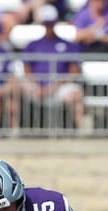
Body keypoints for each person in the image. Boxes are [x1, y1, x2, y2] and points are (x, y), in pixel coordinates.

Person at [21, 4, 89, 133]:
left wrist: (55, 86)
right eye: (46, 24)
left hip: (59, 87)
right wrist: (36, 86)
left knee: (76, 94)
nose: (49, 27)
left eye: (51, 23)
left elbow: (74, 70)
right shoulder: (32, 45)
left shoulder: (68, 45)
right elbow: (27, 69)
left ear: (56, 23)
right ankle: (15, 131)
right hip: (36, 86)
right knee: (15, 89)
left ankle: (82, 133)